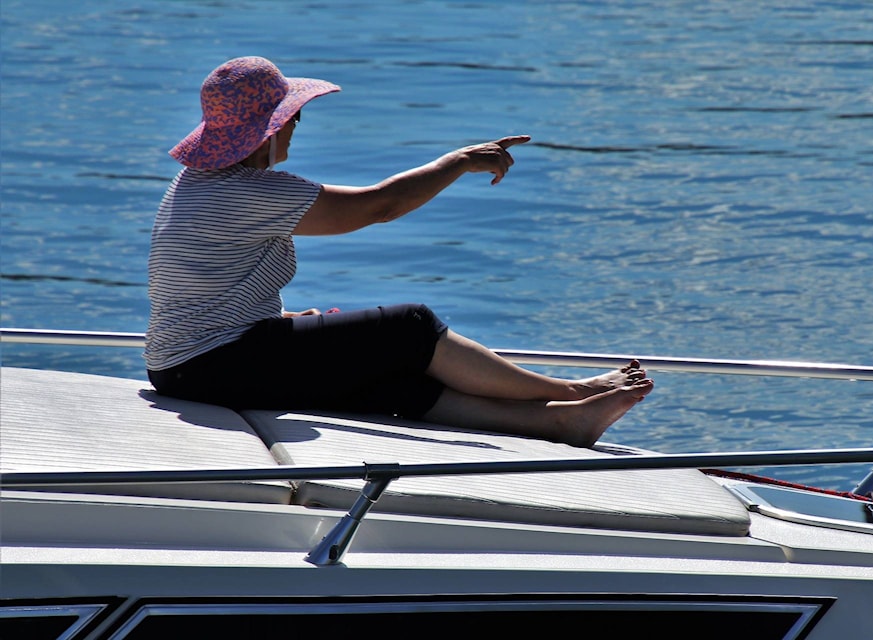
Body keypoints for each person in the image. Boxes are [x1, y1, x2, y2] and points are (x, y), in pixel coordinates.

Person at [145, 56, 653, 448]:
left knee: (379, 375)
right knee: (408, 326)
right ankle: (570, 394)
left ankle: (555, 422)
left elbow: (205, 284)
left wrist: (274, 324)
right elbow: (379, 206)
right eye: (294, 116)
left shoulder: (199, 183)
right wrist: (458, 162)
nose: (298, 125)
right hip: (215, 362)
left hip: (185, 366)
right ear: (272, 128)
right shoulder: (248, 191)